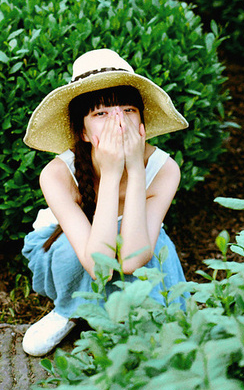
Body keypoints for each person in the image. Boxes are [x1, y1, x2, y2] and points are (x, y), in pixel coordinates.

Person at [21, 48, 189, 357]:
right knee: (75, 251)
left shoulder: (164, 170)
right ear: (82, 131)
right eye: (100, 113)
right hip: (75, 252)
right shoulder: (57, 174)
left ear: (142, 121)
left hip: (138, 245)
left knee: (149, 257)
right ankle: (70, 309)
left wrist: (135, 170)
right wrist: (111, 175)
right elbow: (101, 267)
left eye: (128, 110)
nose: (118, 123)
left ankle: (134, 319)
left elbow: (130, 261)